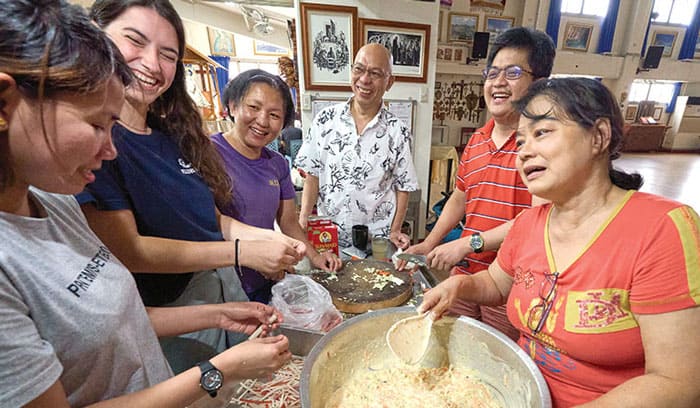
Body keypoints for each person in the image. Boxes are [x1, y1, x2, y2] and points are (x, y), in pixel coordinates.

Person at [0, 1, 290, 406]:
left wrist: (217, 314)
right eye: (96, 125)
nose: (111, 148)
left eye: (168, 54)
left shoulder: (55, 206)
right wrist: (219, 371)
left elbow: (120, 319)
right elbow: (132, 253)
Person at [418, 77, 700, 407]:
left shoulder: (660, 229)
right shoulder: (528, 224)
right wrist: (459, 287)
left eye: (542, 133)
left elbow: (678, 382)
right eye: (520, 142)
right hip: (520, 393)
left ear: (599, 136)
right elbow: (496, 283)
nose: (524, 153)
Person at [76, 0, 304, 362]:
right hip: (161, 315)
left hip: (212, 290)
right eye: (135, 41)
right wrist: (243, 252)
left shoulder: (172, 136)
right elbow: (130, 251)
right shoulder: (95, 146)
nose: (152, 64)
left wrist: (269, 239)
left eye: (167, 54)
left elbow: (211, 220)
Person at [402, 27, 555, 340]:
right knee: (454, 346)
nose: (498, 83)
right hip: (466, 274)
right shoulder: (477, 139)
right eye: (492, 73)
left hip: (512, 280)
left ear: (538, 84)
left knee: (494, 359)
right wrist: (430, 242)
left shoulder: (542, 145)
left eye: (513, 72)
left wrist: (468, 243)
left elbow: (538, 220)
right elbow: (460, 198)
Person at [211, 69, 341, 303]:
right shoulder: (208, 152)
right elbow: (212, 221)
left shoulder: (277, 164)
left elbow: (288, 221)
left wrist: (315, 256)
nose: (262, 121)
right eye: (254, 107)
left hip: (269, 279)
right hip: (223, 284)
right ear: (232, 105)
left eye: (274, 114)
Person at [296, 43, 419, 249]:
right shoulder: (325, 120)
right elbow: (312, 175)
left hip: (376, 241)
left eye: (375, 73)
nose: (364, 79)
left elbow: (403, 186)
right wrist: (303, 222)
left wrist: (395, 229)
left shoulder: (398, 130)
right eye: (359, 69)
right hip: (328, 239)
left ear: (389, 82)